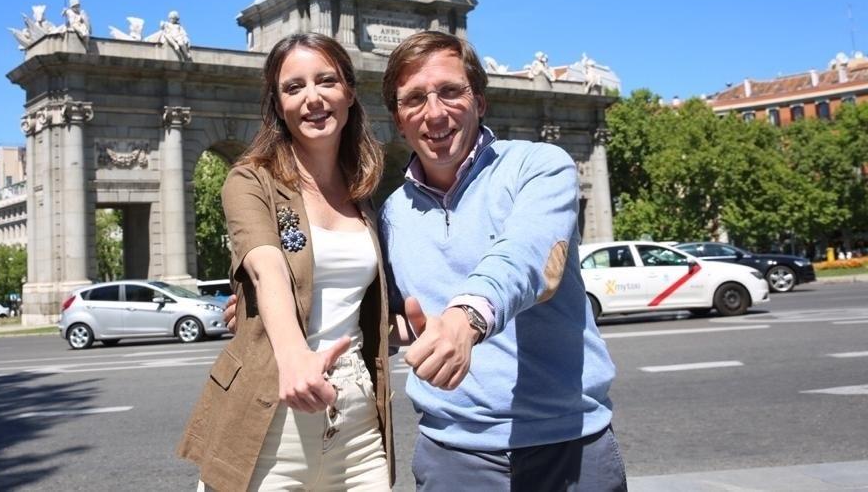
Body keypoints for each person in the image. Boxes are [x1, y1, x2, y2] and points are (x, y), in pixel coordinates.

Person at [379, 30, 626, 491]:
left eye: (450, 91)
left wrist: (466, 317)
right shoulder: (391, 212)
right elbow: (388, 315)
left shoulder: (541, 166)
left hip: (568, 446)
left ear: (481, 102)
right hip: (451, 455)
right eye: (415, 99)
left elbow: (528, 254)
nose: (434, 112)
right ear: (398, 119)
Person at [177, 32, 393, 491]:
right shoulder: (250, 179)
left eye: (326, 81)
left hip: (355, 420)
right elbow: (265, 265)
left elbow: (365, 301)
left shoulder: (363, 193)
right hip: (271, 411)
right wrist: (294, 355)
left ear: (350, 92)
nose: (312, 98)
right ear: (277, 104)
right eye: (293, 87)